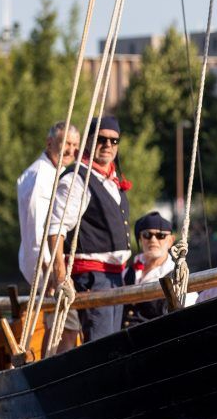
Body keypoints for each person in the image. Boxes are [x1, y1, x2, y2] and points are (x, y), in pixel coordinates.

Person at [47, 115, 132, 341]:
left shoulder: (111, 180)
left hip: (115, 276)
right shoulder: (77, 179)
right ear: (89, 142)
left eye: (114, 141)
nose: (108, 145)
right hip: (93, 277)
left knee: (113, 341)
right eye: (101, 139)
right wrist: (61, 275)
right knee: (101, 343)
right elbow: (56, 228)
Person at [17, 121, 81, 284]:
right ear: (49, 143)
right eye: (66, 143)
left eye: (75, 145)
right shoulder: (40, 177)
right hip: (45, 270)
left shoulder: (58, 171)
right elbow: (36, 228)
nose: (71, 150)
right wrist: (48, 271)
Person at [121, 211, 185, 328]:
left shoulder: (178, 276)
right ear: (140, 239)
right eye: (147, 235)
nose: (153, 240)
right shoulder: (126, 273)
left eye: (161, 235)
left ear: (170, 240)